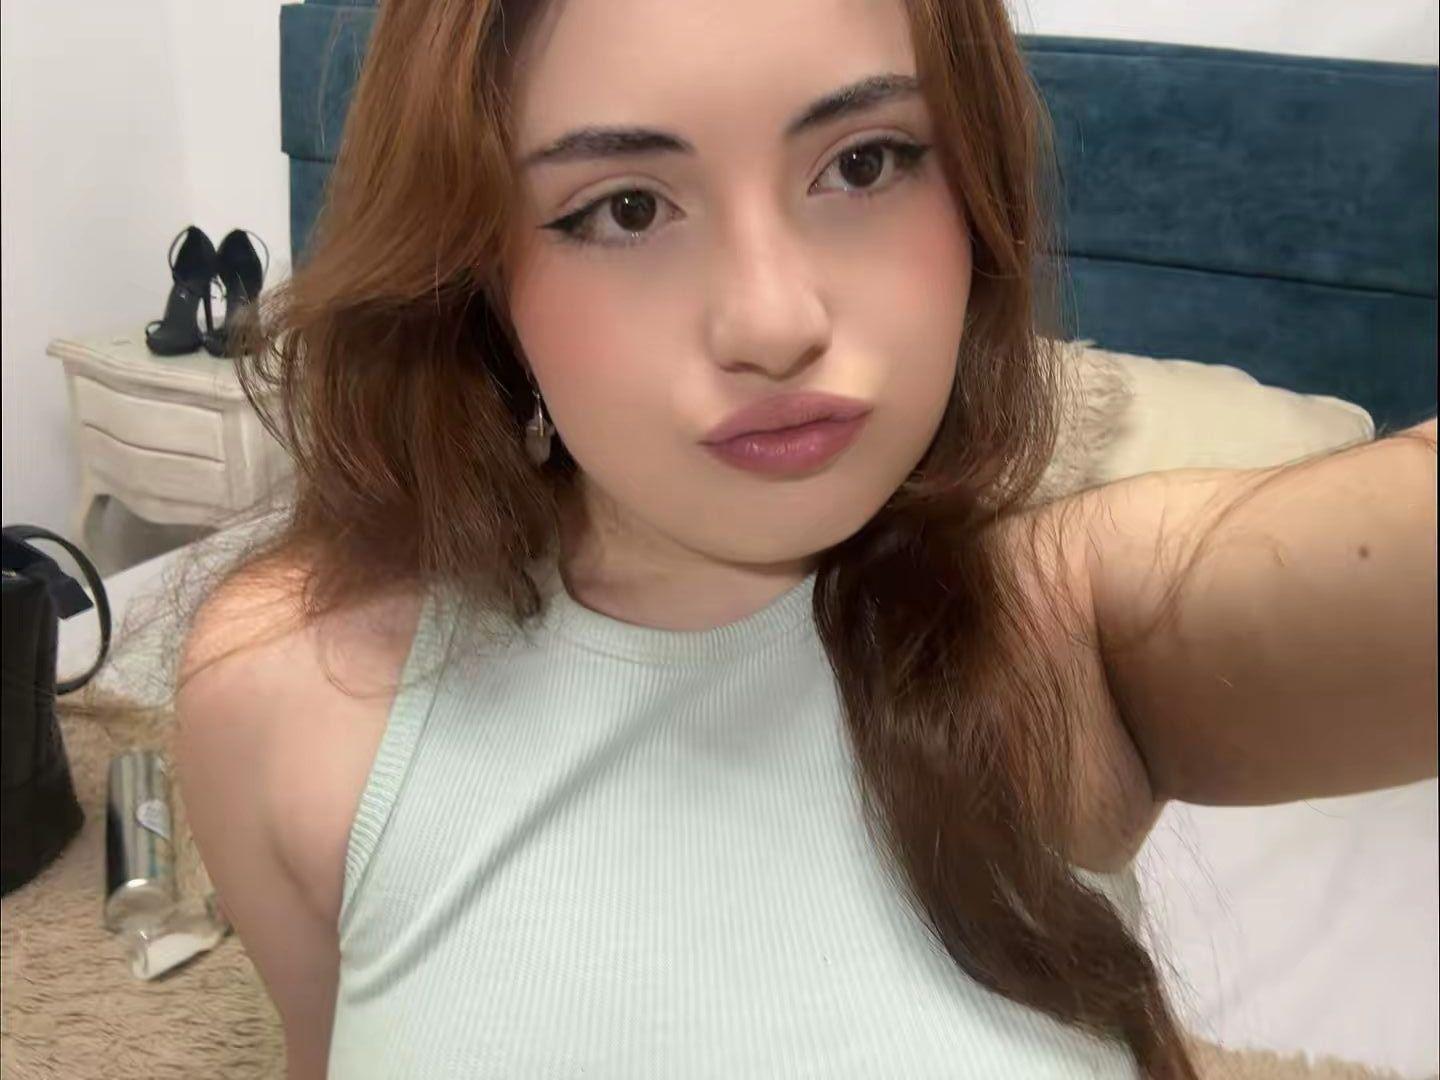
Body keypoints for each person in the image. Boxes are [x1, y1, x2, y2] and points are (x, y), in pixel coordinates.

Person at [171, 0, 1439, 1077]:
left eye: (867, 164)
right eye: (625, 208)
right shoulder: (284, 689)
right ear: (479, 276)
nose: (774, 322)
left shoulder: (1069, 634)